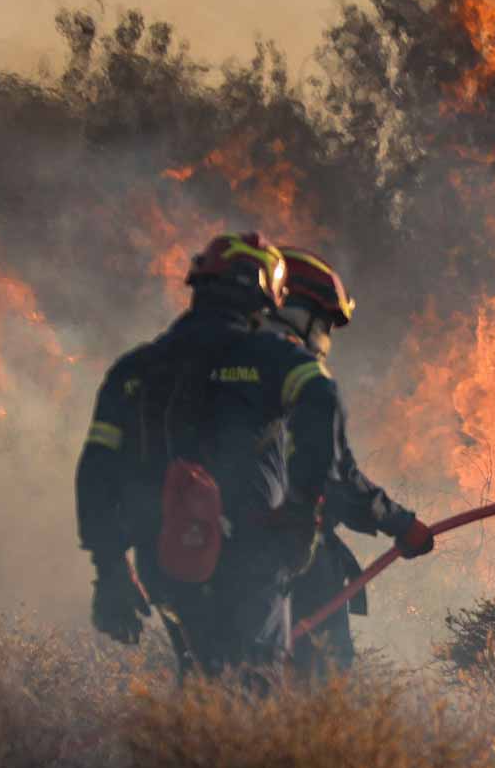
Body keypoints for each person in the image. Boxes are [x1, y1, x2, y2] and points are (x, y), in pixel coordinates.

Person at [75, 231, 344, 674]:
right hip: (251, 554)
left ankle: (193, 741)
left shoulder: (135, 368)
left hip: (165, 558)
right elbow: (321, 405)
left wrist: (110, 570)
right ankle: (228, 742)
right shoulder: (272, 358)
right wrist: (301, 510)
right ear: (263, 295)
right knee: (252, 680)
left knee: (199, 675)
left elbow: (97, 472)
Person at [265, 246, 434, 676]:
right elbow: (335, 479)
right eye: (323, 323)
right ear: (298, 313)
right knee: (319, 672)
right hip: (292, 552)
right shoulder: (300, 377)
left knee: (227, 679)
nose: (325, 337)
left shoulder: (219, 369)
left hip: (211, 552)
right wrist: (400, 524)